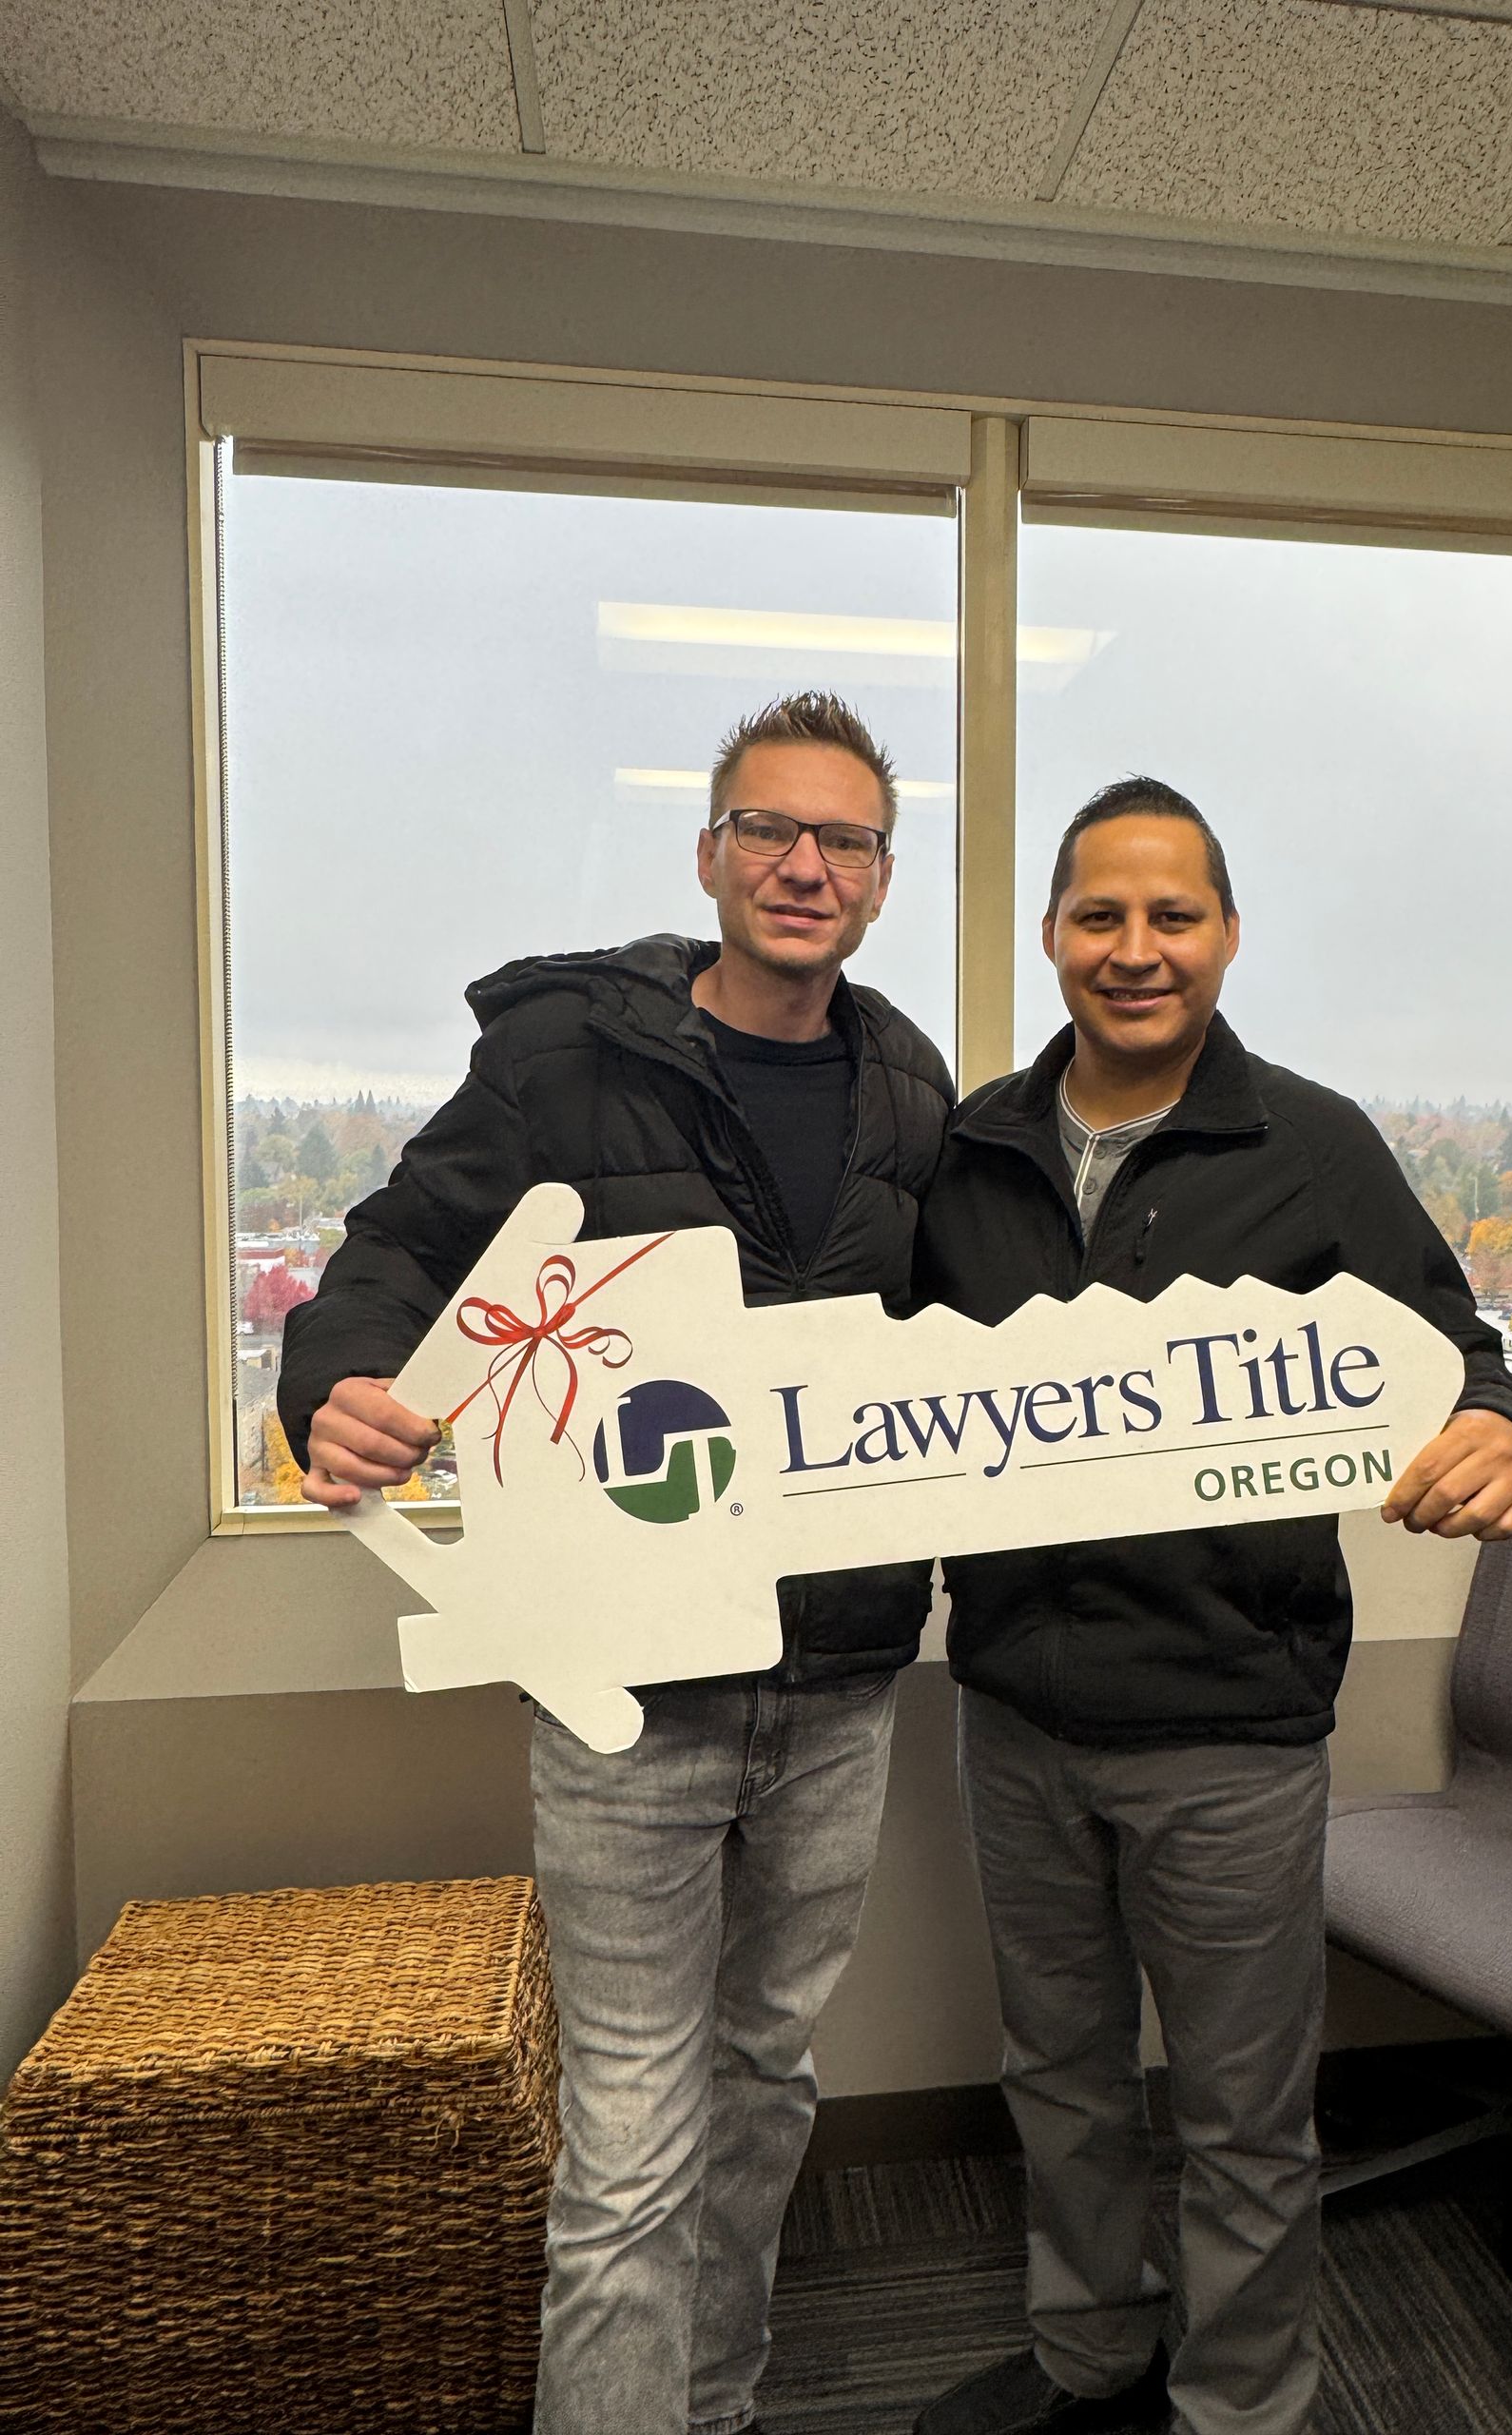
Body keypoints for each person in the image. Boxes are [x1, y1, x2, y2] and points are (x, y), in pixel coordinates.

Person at [278, 693, 953, 2435]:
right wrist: (333, 1385)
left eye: (847, 840)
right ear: (711, 852)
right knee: (635, 2139)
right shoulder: (565, 1062)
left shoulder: (909, 1082)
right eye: (772, 831)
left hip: (843, 1677)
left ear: (883, 877)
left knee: (767, 2090)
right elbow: (398, 1251)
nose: (807, 865)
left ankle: (709, 2409)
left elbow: (957, 1347)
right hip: (628, 1689)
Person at [911, 777, 1512, 2435]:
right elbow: (862, 1407)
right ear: (1053, 934)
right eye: (1100, 916)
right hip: (1017, 1709)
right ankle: (1088, 2364)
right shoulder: (970, 1151)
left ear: (1228, 936)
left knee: (1244, 2115)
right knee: (1055, 2082)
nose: (1136, 950)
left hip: (1230, 1725)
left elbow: (1455, 1354)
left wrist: (1500, 1424)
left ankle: (1241, 2410)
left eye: (1171, 916)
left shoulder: (1314, 1146)